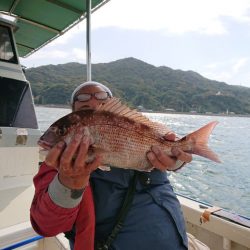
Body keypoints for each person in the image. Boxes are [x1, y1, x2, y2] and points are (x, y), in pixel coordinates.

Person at [30, 81, 192, 250]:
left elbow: (168, 148)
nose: (93, 103)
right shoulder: (57, 163)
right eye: (86, 110)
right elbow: (46, 225)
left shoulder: (143, 133)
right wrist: (68, 184)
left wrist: (176, 162)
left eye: (102, 104)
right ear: (74, 116)